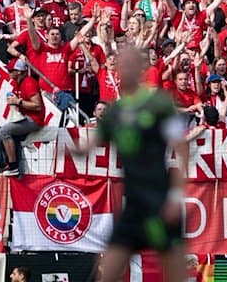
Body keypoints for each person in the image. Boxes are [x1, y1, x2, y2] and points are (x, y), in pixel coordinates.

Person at [78, 47, 188, 282]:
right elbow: (92, 144)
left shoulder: (159, 104)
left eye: (130, 65)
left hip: (160, 199)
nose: (125, 70)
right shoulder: (115, 111)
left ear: (140, 69)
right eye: (121, 65)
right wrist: (69, 150)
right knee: (107, 268)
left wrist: (176, 196)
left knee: (174, 270)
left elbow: (182, 147)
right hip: (134, 203)